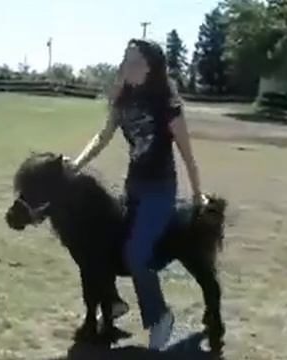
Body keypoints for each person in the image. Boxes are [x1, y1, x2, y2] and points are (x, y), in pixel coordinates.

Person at [69, 39, 203, 350]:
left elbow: (187, 153)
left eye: (134, 61)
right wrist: (76, 164)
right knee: (105, 242)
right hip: (134, 187)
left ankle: (160, 317)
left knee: (136, 254)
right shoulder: (122, 102)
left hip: (160, 190)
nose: (126, 67)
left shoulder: (167, 104)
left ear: (151, 67)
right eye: (125, 60)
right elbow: (102, 136)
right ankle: (113, 304)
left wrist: (197, 195)